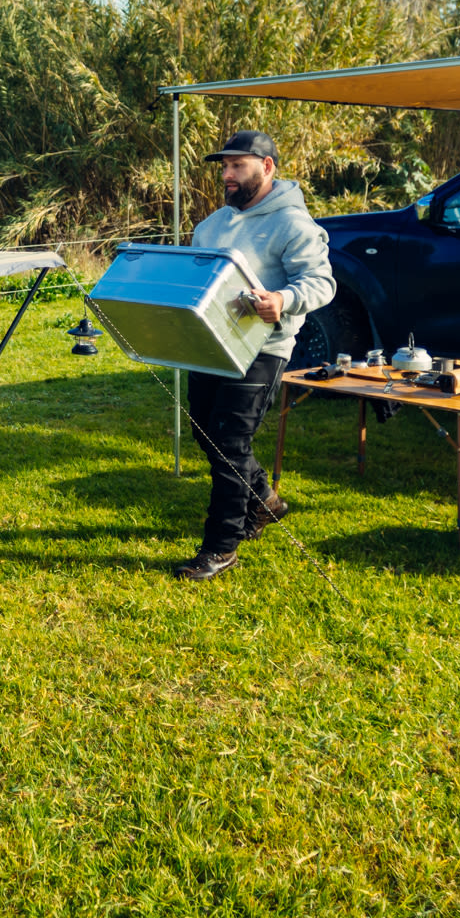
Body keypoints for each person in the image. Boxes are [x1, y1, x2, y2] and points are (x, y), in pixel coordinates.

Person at [174, 130, 335, 582]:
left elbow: (322, 283)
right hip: (211, 343)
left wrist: (283, 299)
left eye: (237, 165)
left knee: (229, 445)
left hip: (263, 348)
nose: (226, 174)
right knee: (208, 436)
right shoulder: (211, 225)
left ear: (267, 167)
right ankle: (264, 499)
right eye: (224, 166)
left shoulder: (293, 224)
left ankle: (220, 548)